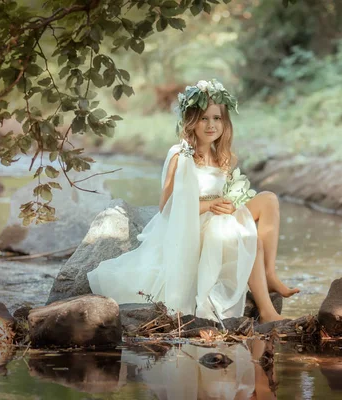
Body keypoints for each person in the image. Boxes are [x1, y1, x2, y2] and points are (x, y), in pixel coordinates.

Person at [87, 79, 299, 323]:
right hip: (192, 226)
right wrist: (209, 206)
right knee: (249, 240)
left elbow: (227, 195)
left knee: (269, 199)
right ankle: (267, 312)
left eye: (217, 118)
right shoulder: (181, 155)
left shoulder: (225, 157)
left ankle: (270, 274)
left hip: (219, 218)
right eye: (204, 118)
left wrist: (230, 203)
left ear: (225, 122)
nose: (211, 125)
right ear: (191, 121)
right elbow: (166, 208)